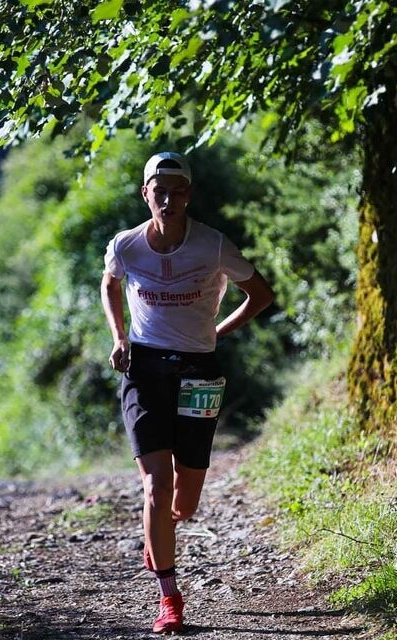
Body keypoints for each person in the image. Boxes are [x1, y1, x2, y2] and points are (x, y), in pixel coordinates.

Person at [100, 151, 274, 634]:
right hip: (144, 367)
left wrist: (219, 331)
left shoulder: (214, 246)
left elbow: (261, 295)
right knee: (155, 486)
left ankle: (158, 539)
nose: (169, 199)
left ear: (189, 194)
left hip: (200, 371)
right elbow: (109, 283)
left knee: (186, 501)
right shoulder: (127, 245)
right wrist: (119, 338)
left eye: (178, 191)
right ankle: (169, 597)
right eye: (160, 191)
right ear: (146, 195)